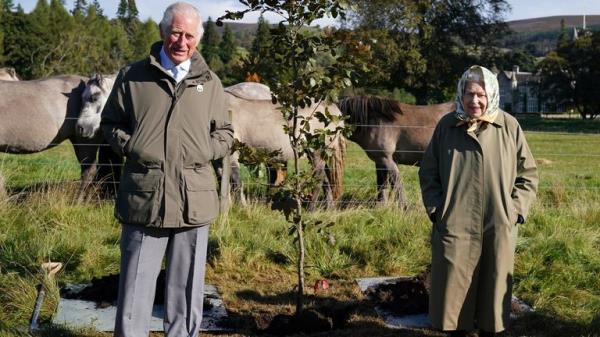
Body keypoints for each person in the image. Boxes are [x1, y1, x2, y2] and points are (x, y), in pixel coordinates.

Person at [100, 2, 233, 337]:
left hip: (194, 200)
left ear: (198, 39)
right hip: (145, 198)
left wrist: (205, 150)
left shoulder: (210, 82)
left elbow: (226, 132)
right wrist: (132, 146)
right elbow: (110, 123)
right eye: (176, 32)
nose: (182, 41)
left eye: (189, 35)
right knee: (134, 293)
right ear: (162, 33)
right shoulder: (132, 77)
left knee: (186, 293)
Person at [418, 65, 538, 337]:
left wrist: (515, 211)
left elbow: (528, 174)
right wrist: (438, 210)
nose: (475, 101)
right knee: (453, 291)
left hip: (498, 223)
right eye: (470, 94)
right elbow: (428, 173)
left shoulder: (508, 126)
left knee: (493, 292)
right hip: (454, 223)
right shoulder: (446, 126)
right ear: (461, 94)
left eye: (481, 95)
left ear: (491, 94)